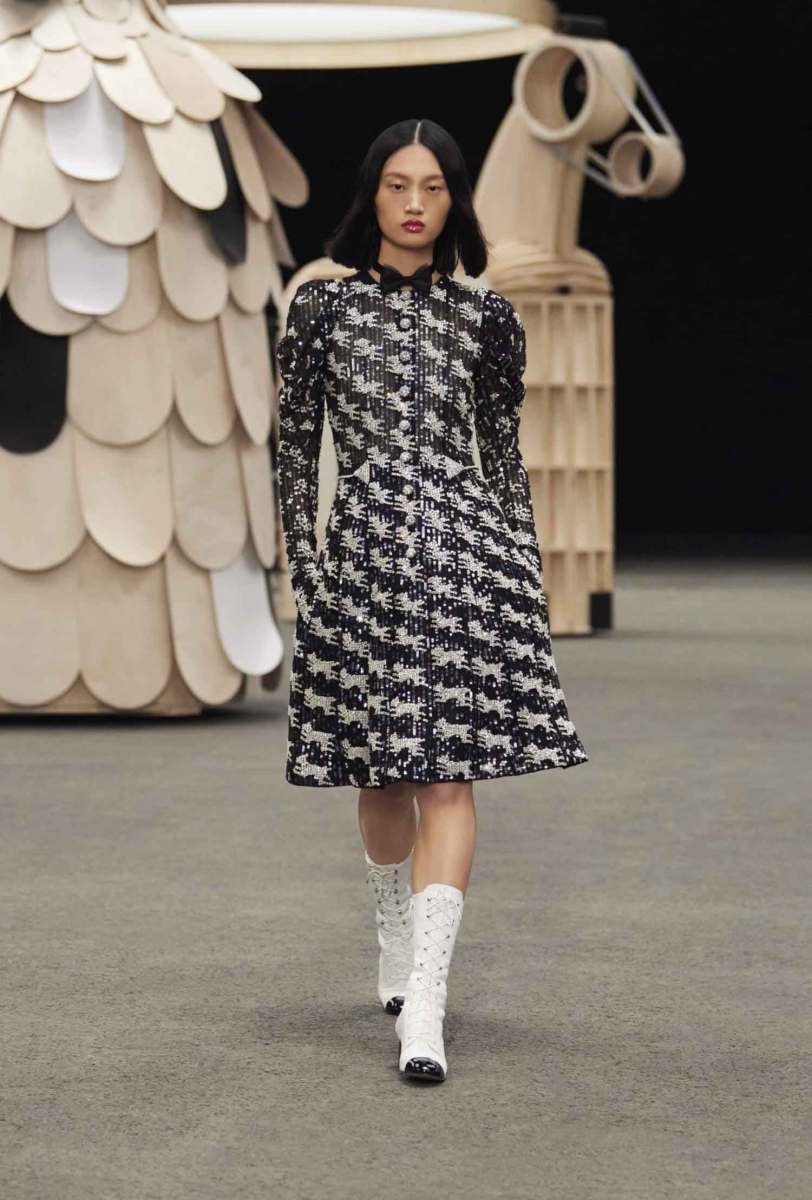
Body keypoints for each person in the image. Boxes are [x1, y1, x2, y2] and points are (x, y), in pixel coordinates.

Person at [275, 118, 589, 1084]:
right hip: (364, 558)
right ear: (371, 194)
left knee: (450, 778)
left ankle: (427, 1002)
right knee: (383, 779)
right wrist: (307, 570)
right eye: (398, 185)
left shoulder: (487, 319)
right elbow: (295, 450)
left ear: (455, 200)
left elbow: (503, 458)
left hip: (463, 555)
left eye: (435, 187)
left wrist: (523, 571)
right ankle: (392, 934)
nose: (416, 203)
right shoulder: (323, 310)